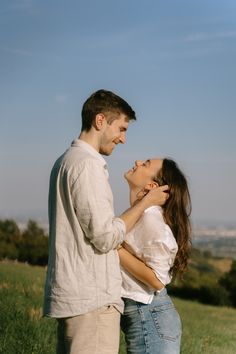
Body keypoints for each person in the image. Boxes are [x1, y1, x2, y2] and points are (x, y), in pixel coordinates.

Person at [43, 89, 169, 354]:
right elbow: (105, 238)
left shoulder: (65, 161)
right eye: (121, 128)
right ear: (100, 121)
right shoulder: (88, 165)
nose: (123, 139)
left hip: (75, 299)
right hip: (92, 301)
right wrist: (145, 204)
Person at [118, 157, 191, 354]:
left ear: (152, 185)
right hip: (145, 314)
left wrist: (115, 249)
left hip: (150, 314)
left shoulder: (152, 220)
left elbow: (157, 280)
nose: (138, 161)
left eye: (146, 163)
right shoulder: (140, 213)